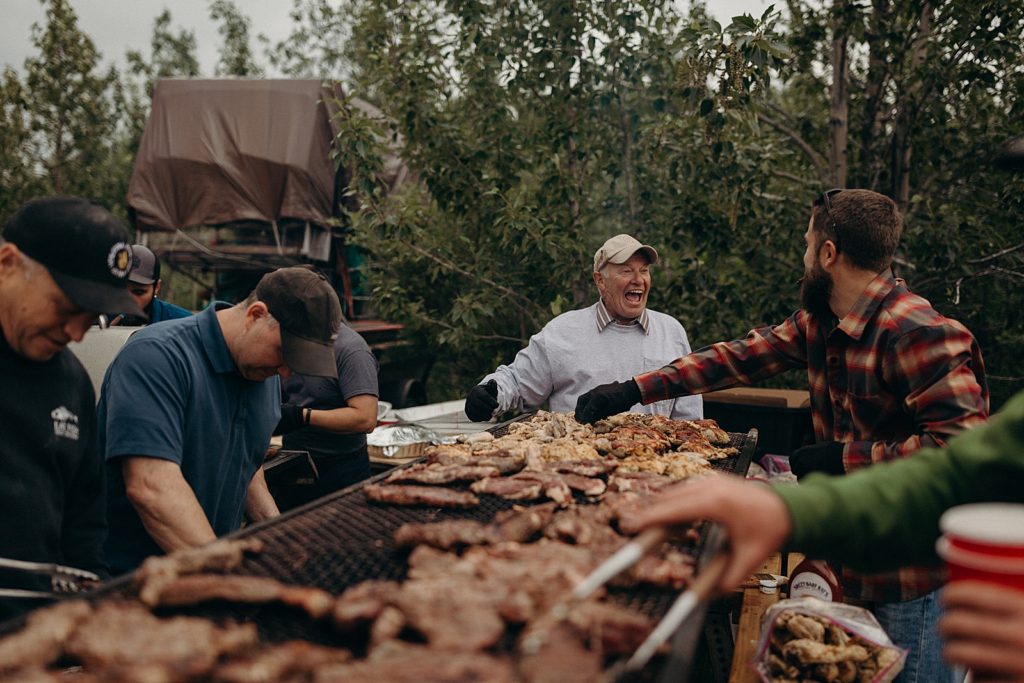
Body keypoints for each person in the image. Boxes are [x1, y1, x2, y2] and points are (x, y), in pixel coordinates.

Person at [576, 190, 989, 682]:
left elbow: (964, 454)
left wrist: (844, 459)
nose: (804, 256)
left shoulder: (917, 332)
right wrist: (631, 390)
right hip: (845, 559)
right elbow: (736, 357)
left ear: (829, 254)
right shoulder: (822, 322)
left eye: (808, 244)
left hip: (909, 578)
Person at [99, 265, 342, 574]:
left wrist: (279, 537)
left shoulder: (263, 372)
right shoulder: (156, 357)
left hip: (205, 566)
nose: (286, 372)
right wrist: (224, 574)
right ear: (256, 315)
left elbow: (247, 465)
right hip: (133, 578)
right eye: (285, 353)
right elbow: (151, 486)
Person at [0, 196, 143, 616]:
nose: (76, 334)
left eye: (91, 317)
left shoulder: (73, 382)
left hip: (31, 645)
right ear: (7, 263)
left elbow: (85, 527)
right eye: (66, 308)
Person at [464, 233, 703, 422]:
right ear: (600, 281)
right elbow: (516, 382)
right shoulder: (563, 331)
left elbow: (690, 419)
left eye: (644, 270)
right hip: (576, 467)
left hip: (656, 468)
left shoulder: (671, 331)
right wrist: (489, 394)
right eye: (626, 270)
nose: (638, 279)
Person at [276, 321, 380, 504]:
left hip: (341, 467)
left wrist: (300, 416)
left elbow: (365, 419)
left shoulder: (351, 350)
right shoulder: (288, 342)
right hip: (294, 462)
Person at [114, 244, 191, 325]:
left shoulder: (181, 323)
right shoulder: (102, 316)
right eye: (121, 291)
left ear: (157, 287)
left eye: (139, 293)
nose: (128, 300)